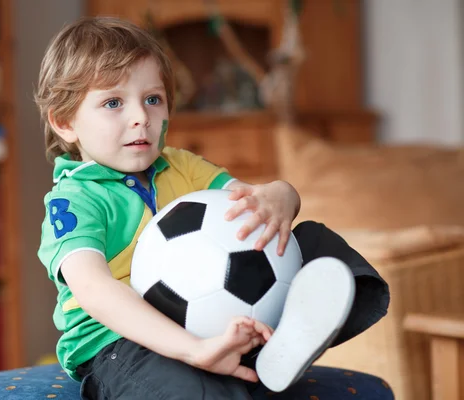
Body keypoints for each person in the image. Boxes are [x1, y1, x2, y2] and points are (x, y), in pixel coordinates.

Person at [35, 16, 389, 399]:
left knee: (316, 242)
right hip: (123, 346)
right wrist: (192, 350)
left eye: (152, 99)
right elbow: (94, 288)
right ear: (65, 122)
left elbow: (254, 200)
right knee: (196, 392)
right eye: (113, 103)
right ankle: (235, 364)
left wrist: (283, 195)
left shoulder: (182, 165)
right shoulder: (73, 200)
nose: (141, 117)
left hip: (215, 321)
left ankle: (283, 343)